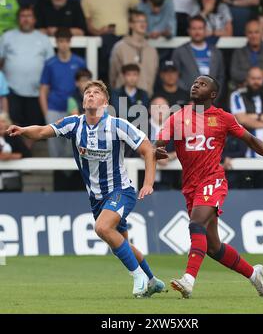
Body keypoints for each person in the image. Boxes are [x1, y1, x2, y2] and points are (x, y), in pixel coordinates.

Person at [7, 80, 166, 298]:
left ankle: (137, 276)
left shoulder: (117, 125)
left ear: (106, 102)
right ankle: (153, 280)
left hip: (121, 190)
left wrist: (148, 183)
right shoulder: (74, 124)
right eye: (87, 93)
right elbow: (43, 132)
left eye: (96, 92)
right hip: (96, 198)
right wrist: (23, 130)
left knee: (102, 228)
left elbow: (148, 150)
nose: (90, 95)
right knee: (120, 243)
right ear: (82, 102)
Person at [155, 74, 263, 298]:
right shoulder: (178, 118)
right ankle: (253, 274)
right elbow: (157, 142)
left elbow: (250, 140)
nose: (195, 85)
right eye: (194, 82)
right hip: (190, 185)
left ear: (213, 94)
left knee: (196, 223)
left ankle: (188, 280)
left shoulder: (223, 118)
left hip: (213, 180)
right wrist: (156, 149)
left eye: (202, 84)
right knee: (213, 247)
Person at [0, 6, 54, 138]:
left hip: (36, 91)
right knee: (12, 124)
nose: (26, 19)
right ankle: (19, 151)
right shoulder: (7, 37)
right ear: (18, 19)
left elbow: (50, 66)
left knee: (34, 125)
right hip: (11, 90)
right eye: (23, 16)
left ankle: (26, 153)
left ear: (34, 19)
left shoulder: (43, 39)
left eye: (29, 16)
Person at [230, 67, 263, 188]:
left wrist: (255, 117)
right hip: (246, 156)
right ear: (247, 79)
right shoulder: (237, 95)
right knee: (246, 193)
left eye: (259, 78)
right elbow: (241, 119)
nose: (256, 82)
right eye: (253, 78)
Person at [39, 27, 86, 157]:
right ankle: (57, 177)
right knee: (54, 148)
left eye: (66, 41)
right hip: (54, 108)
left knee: (73, 146)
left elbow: (85, 86)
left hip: (74, 109)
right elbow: (43, 90)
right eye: (60, 41)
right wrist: (46, 113)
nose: (63, 44)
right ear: (56, 42)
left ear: (70, 42)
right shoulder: (50, 63)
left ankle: (72, 177)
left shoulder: (79, 62)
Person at [109, 10, 159, 97]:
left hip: (146, 98)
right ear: (130, 24)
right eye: (139, 21)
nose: (143, 24)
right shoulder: (119, 47)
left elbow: (153, 76)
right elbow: (113, 76)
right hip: (123, 99)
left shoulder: (152, 50)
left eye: (145, 21)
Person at [172, 16, 225, 94]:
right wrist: (187, 96)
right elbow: (174, 77)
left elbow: (221, 77)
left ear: (205, 30)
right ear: (188, 31)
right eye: (194, 28)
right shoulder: (180, 51)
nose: (197, 32)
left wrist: (214, 97)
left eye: (200, 28)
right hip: (188, 101)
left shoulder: (216, 52)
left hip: (211, 101)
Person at [230, 19, 263, 90]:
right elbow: (234, 74)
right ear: (246, 34)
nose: (253, 36)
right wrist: (261, 74)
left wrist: (253, 82)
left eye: (256, 32)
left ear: (262, 33)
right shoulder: (238, 53)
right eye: (250, 32)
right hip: (243, 93)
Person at [0, 112, 31, 192]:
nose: (0, 125)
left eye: (3, 121)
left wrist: (10, 156)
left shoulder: (14, 137)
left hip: (12, 180)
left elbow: (26, 153)